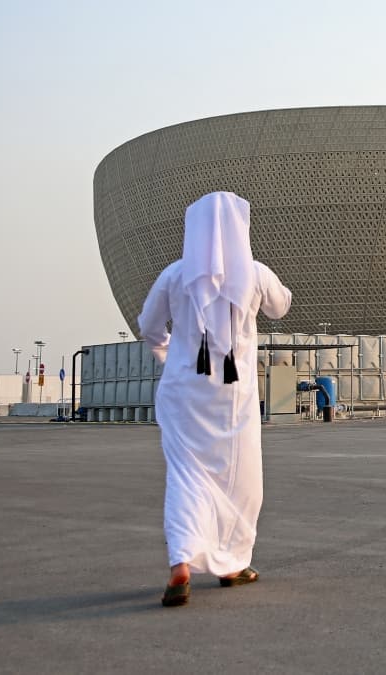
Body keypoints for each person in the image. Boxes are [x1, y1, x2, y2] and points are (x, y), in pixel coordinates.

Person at [138, 192, 293, 608]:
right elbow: (282, 307)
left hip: (183, 395)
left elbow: (149, 325)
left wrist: (170, 355)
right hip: (233, 399)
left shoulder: (174, 275)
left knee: (187, 478)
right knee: (241, 481)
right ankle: (232, 564)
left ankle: (180, 566)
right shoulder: (256, 274)